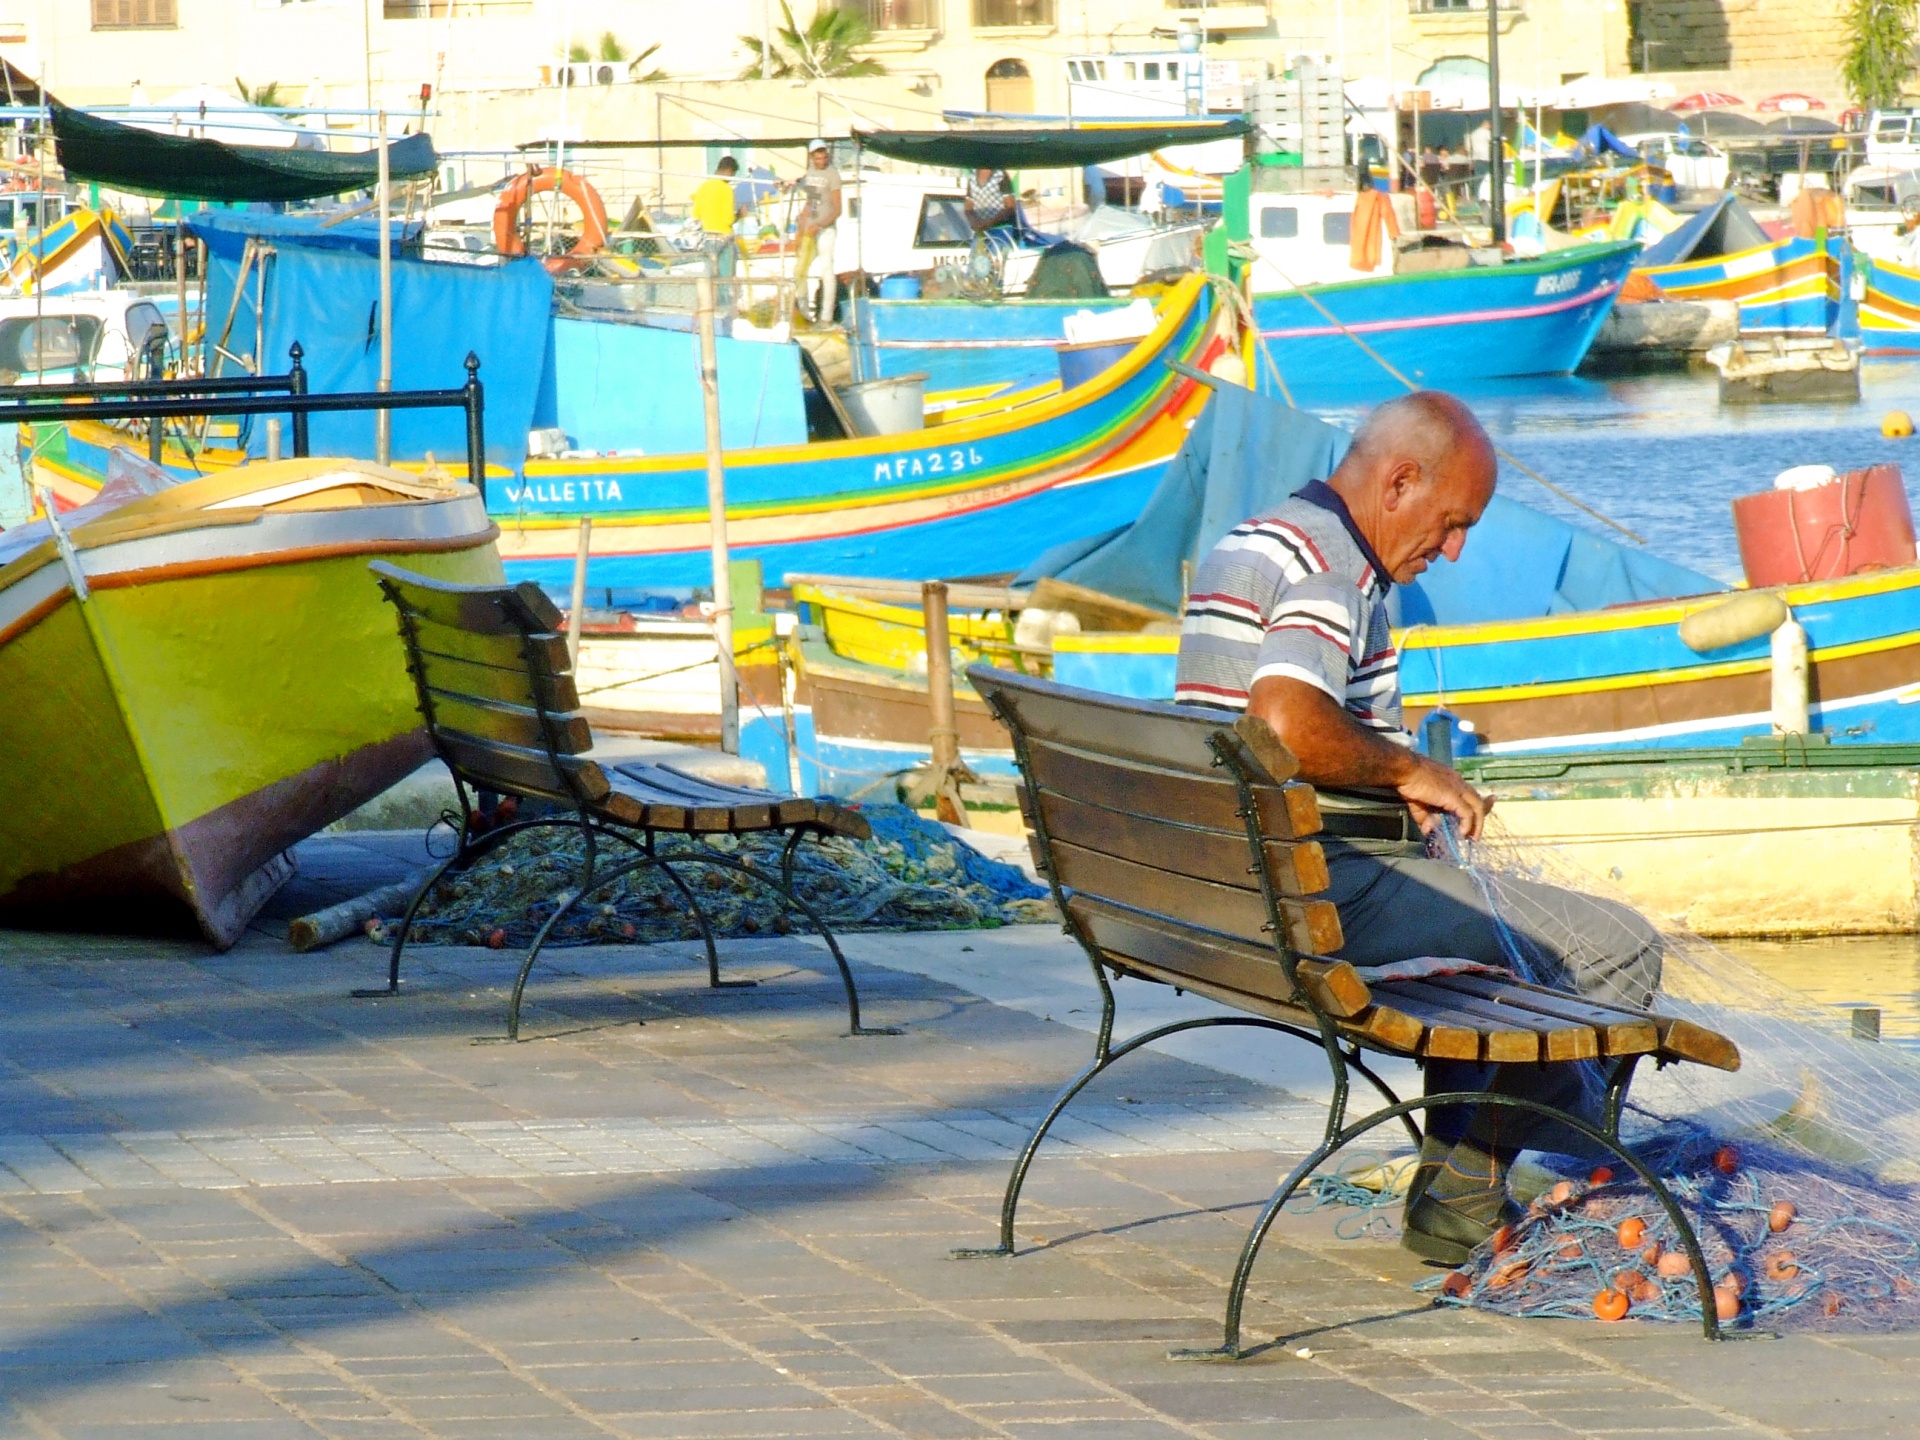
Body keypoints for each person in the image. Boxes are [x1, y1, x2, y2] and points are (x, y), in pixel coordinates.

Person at [1174, 391, 1664, 1264]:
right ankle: (1481, 1169)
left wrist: (1376, 779)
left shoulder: (1254, 539)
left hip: (1221, 890)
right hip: (1311, 901)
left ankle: (1479, 1166)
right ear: (1398, 481)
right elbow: (1283, 722)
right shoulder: (1334, 570)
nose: (1452, 549)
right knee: (1617, 947)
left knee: (1483, 927)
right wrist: (1408, 767)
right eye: (1450, 523)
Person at [791, 138, 842, 325]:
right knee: (799, 270)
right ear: (812, 157)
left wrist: (819, 225)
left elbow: (838, 208)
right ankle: (805, 312)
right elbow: (810, 203)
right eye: (817, 156)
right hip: (810, 228)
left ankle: (826, 317)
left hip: (825, 228)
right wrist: (800, 229)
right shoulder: (811, 173)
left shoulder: (833, 174)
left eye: (823, 156)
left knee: (826, 269)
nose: (821, 160)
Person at [691, 156, 742, 313]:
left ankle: (710, 311)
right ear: (728, 171)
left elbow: (697, 214)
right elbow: (728, 219)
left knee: (711, 278)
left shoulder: (703, 187)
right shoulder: (726, 189)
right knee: (726, 278)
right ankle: (727, 311)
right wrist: (740, 214)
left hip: (708, 238)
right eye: (732, 175)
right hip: (724, 238)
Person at [964, 165, 1016, 233]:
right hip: (980, 231)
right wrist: (975, 223)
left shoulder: (1000, 174)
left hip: (1001, 230)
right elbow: (968, 208)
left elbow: (1010, 207)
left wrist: (989, 223)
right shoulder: (972, 174)